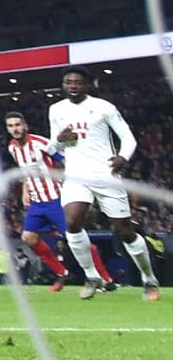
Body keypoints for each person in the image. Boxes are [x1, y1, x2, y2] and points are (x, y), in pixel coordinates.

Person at [48, 66, 160, 300]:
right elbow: (52, 147)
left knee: (124, 231)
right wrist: (59, 141)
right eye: (68, 82)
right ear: (63, 85)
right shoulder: (56, 110)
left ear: (87, 85)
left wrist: (122, 157)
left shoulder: (103, 107)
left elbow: (128, 137)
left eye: (77, 82)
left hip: (106, 173)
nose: (72, 86)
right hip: (76, 175)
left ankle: (149, 279)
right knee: (72, 222)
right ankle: (92, 276)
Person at [4, 111, 114, 292]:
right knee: (28, 238)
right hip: (37, 202)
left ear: (25, 126)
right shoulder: (12, 147)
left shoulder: (41, 143)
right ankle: (63, 273)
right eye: (11, 126)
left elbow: (65, 160)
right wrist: (25, 191)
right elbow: (25, 171)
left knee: (77, 240)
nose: (15, 129)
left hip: (56, 200)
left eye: (17, 125)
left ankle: (106, 279)